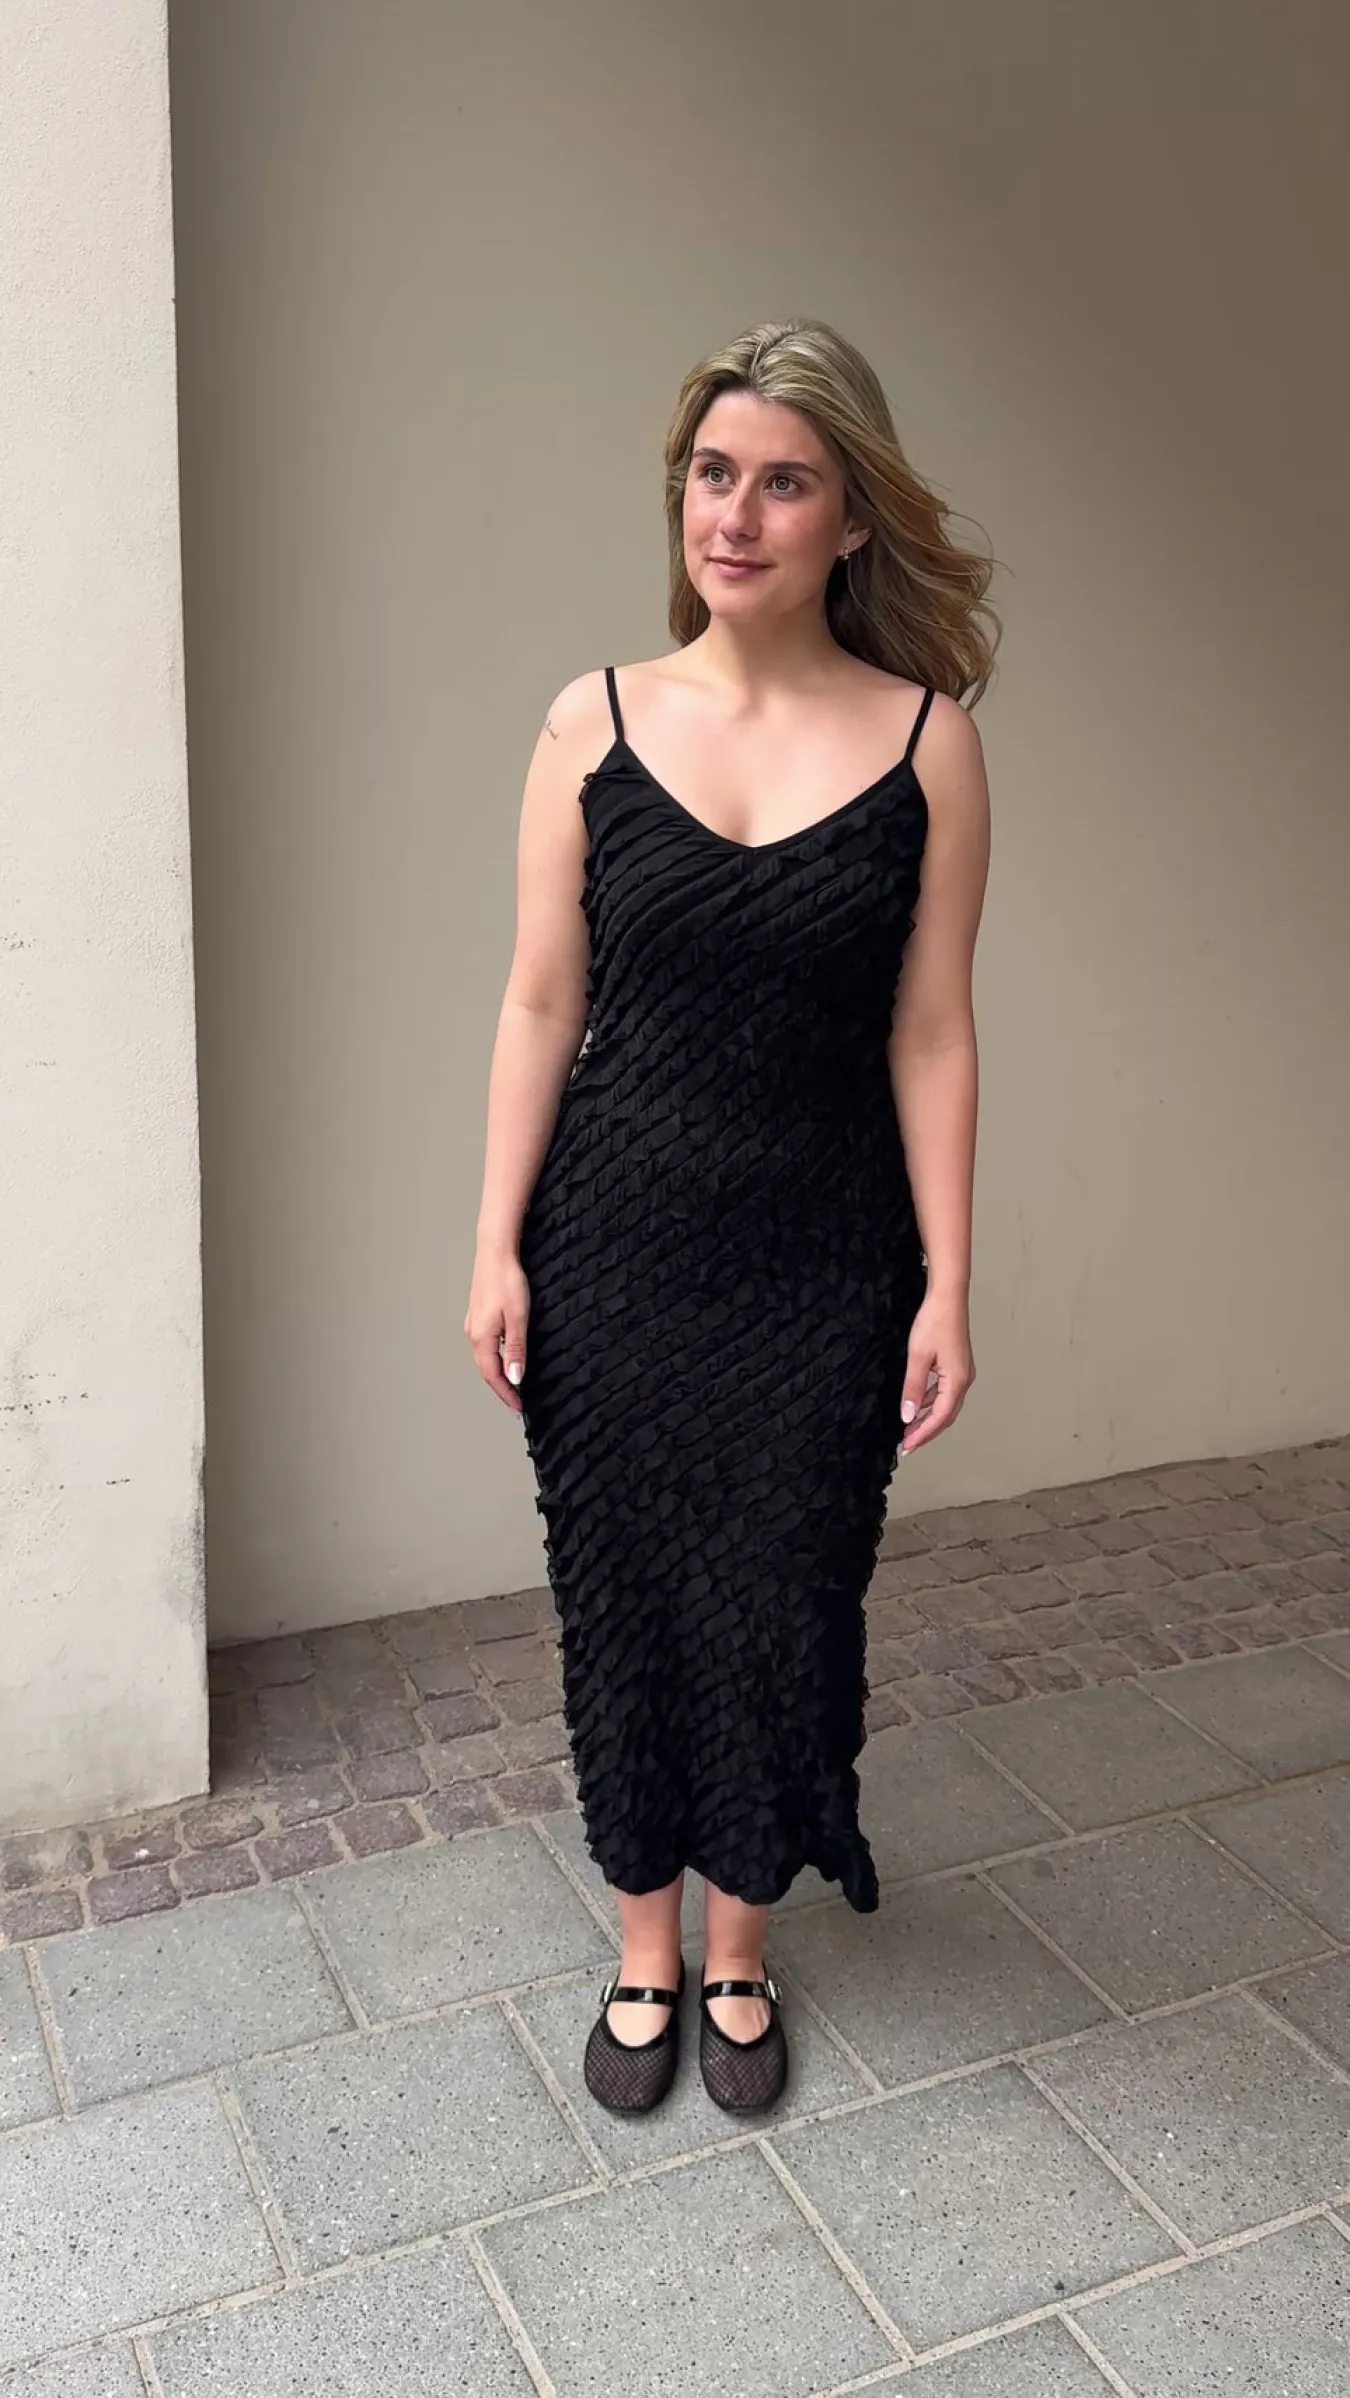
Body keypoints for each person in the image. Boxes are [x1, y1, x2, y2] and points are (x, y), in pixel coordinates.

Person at [466, 317, 997, 2117]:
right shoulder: (592, 721)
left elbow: (932, 1029)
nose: (736, 515)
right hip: (610, 1241)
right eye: (713, 474)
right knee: (620, 1592)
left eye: (783, 482)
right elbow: (540, 999)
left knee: (785, 1596)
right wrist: (493, 1241)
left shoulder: (927, 745)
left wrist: (946, 1280)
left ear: (850, 517)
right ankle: (643, 1943)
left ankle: (745, 1942)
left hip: (825, 1257)